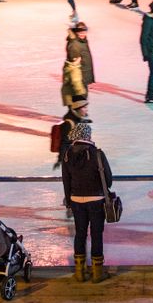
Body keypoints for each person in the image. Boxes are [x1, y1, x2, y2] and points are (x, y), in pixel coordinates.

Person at [61, 121, 111, 283]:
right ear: (87, 135)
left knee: (80, 234)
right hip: (96, 200)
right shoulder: (97, 153)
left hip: (76, 201)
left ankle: (79, 272)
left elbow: (66, 181)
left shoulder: (68, 154)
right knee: (96, 234)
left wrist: (69, 201)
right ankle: (97, 273)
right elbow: (108, 180)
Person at [66, 22, 95, 93]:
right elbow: (73, 64)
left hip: (84, 74)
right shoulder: (75, 43)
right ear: (76, 32)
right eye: (80, 32)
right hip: (79, 77)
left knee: (83, 99)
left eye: (84, 32)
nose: (82, 34)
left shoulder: (83, 41)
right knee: (79, 99)